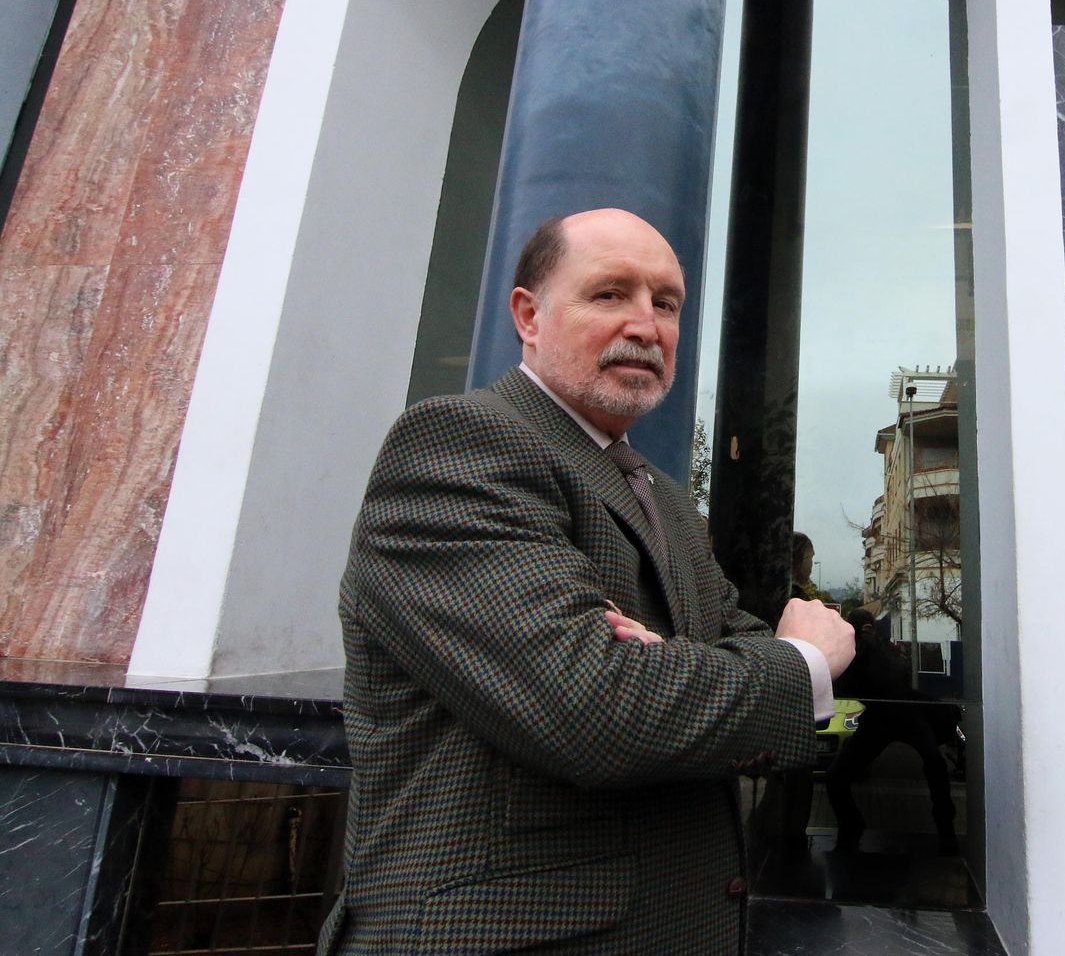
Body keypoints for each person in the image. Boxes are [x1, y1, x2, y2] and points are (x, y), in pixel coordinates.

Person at [319, 208, 855, 955]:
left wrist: (673, 672)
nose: (646, 325)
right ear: (528, 316)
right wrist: (802, 662)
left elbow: (738, 685)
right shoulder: (457, 445)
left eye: (665, 304)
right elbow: (596, 709)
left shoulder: (665, 498)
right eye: (609, 295)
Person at [826, 610, 959, 855]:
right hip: (903, 713)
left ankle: (851, 826)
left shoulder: (865, 648)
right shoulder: (887, 648)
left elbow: (845, 685)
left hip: (889, 715)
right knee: (935, 764)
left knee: (836, 777)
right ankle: (946, 831)